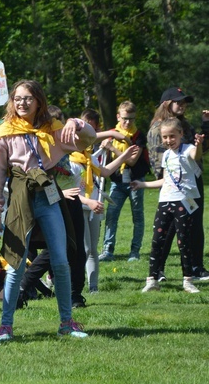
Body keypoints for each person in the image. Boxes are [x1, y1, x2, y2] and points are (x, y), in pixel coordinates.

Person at [0, 79, 96, 342]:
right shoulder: (4, 132)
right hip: (19, 201)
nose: (22, 103)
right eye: (18, 98)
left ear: (39, 101)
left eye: (28, 98)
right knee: (15, 264)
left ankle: (66, 322)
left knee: (60, 260)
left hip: (48, 199)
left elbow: (89, 138)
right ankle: (6, 326)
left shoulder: (54, 130)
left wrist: (76, 122)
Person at [132, 118, 204, 294]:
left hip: (184, 202)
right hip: (165, 201)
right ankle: (152, 279)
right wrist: (142, 185)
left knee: (183, 241)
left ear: (181, 134)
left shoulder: (188, 149)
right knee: (157, 241)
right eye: (165, 137)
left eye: (172, 136)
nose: (168, 140)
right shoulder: (166, 155)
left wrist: (200, 144)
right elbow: (165, 180)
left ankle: (188, 280)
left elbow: (197, 156)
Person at [72, 109, 138, 292]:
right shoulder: (70, 159)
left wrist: (124, 156)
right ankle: (66, 284)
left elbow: (105, 171)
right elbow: (67, 191)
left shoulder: (89, 158)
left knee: (93, 249)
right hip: (79, 207)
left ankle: (93, 288)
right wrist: (88, 202)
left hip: (94, 208)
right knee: (82, 250)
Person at [147, 87, 209, 282]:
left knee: (193, 226)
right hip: (173, 185)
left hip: (192, 182)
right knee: (168, 229)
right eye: (178, 102)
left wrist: (206, 126)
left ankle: (196, 268)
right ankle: (158, 270)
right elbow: (158, 160)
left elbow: (200, 151)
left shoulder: (184, 126)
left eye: (184, 102)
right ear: (167, 104)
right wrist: (165, 182)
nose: (182, 105)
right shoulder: (158, 128)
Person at [98, 100, 150, 263]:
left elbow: (133, 160)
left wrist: (113, 148)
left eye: (132, 119)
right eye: (125, 118)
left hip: (136, 181)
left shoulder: (138, 136)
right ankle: (108, 250)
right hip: (117, 182)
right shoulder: (112, 133)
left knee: (137, 216)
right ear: (118, 116)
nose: (128, 122)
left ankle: (135, 251)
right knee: (112, 215)